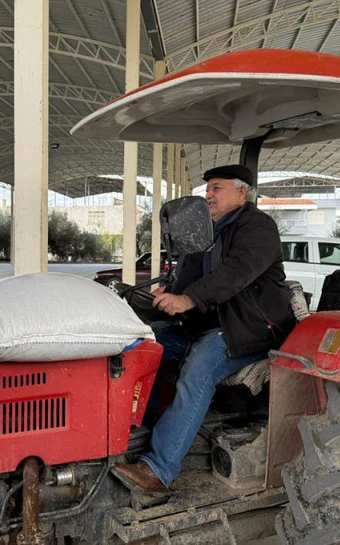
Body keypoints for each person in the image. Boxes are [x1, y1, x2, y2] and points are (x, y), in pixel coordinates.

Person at [112, 164, 297, 491]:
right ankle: (136, 428)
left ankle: (158, 469)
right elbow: (190, 277)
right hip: (206, 324)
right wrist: (170, 295)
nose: (208, 195)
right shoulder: (208, 230)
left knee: (199, 368)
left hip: (249, 327)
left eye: (217, 188)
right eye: (208, 189)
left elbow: (235, 273)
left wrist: (188, 299)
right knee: (146, 347)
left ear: (242, 192)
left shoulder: (258, 228)